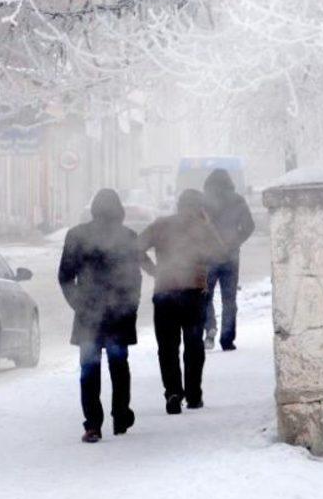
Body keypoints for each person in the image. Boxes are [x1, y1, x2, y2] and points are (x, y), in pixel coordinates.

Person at [58, 188, 142, 444]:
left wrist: (79, 304)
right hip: (119, 314)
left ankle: (93, 425)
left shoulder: (76, 235)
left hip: (89, 315)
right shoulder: (128, 236)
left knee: (89, 370)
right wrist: (130, 306)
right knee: (119, 367)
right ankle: (120, 417)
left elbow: (65, 277)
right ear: (119, 209)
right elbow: (134, 278)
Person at [138, 188, 223, 415]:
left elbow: (135, 248)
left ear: (178, 205)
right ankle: (194, 395)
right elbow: (220, 253)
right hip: (194, 293)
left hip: (165, 292)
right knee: (194, 344)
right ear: (199, 207)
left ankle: (173, 394)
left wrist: (154, 270)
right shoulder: (202, 227)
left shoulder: (160, 224)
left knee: (167, 347)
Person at [203, 169, 255, 352]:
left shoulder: (204, 201)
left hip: (209, 257)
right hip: (231, 257)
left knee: (205, 296)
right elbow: (250, 226)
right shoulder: (238, 200)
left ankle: (210, 327)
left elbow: (197, 227)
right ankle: (227, 339)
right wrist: (236, 241)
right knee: (229, 299)